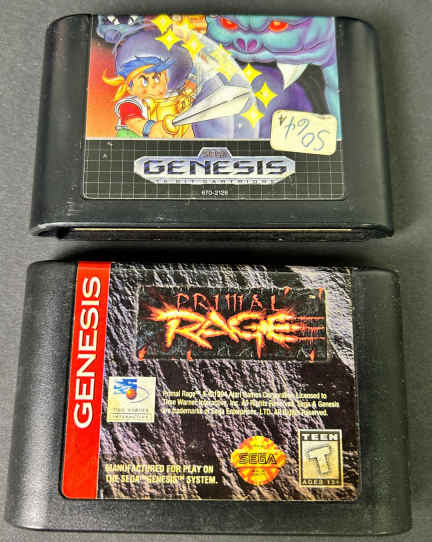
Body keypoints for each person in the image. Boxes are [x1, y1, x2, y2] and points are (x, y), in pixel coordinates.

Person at [103, 55, 195, 138]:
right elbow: (134, 122)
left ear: (166, 79)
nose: (153, 85)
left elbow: (188, 92)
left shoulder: (171, 96)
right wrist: (152, 128)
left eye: (156, 78)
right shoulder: (130, 104)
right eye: (144, 82)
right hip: (133, 136)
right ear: (130, 89)